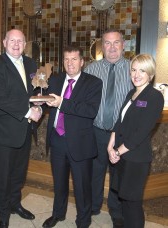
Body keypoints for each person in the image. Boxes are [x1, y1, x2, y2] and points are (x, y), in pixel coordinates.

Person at [0, 29, 42, 228]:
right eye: (12, 40)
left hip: (24, 130)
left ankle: (15, 204)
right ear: (4, 42)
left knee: (19, 173)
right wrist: (28, 112)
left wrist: (38, 106)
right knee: (3, 176)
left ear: (25, 44)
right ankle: (3, 215)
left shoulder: (31, 64)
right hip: (4, 131)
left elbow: (35, 91)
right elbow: (0, 99)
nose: (16, 44)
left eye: (20, 41)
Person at [42, 46, 102, 228]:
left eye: (74, 59)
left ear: (82, 62)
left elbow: (90, 111)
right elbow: (47, 103)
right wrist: (38, 107)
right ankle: (58, 214)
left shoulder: (93, 83)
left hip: (80, 143)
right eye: (67, 59)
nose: (70, 63)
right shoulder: (55, 80)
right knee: (59, 183)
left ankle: (83, 221)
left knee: (82, 187)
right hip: (57, 140)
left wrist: (62, 102)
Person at [107, 54, 164, 228]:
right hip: (121, 156)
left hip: (136, 159)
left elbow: (140, 133)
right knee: (123, 199)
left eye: (142, 70)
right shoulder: (132, 93)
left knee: (132, 203)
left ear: (151, 74)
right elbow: (119, 122)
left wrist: (117, 151)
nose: (136, 74)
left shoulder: (154, 96)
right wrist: (110, 146)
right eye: (133, 70)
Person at [84, 28, 133, 227]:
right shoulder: (90, 69)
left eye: (116, 43)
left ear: (123, 45)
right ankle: (93, 206)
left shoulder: (134, 69)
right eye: (107, 43)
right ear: (101, 46)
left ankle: (116, 211)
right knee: (94, 171)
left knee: (118, 174)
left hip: (121, 133)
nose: (112, 47)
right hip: (96, 131)